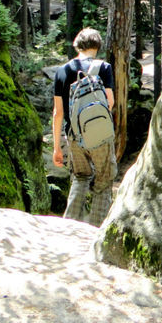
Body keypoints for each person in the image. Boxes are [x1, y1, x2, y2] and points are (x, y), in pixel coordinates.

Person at [52, 28, 117, 226]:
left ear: (77, 45)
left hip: (74, 135)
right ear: (97, 46)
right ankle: (95, 230)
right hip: (100, 135)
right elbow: (110, 102)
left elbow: (58, 113)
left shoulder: (63, 71)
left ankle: (69, 226)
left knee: (80, 177)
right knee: (104, 182)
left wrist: (56, 147)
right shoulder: (104, 67)